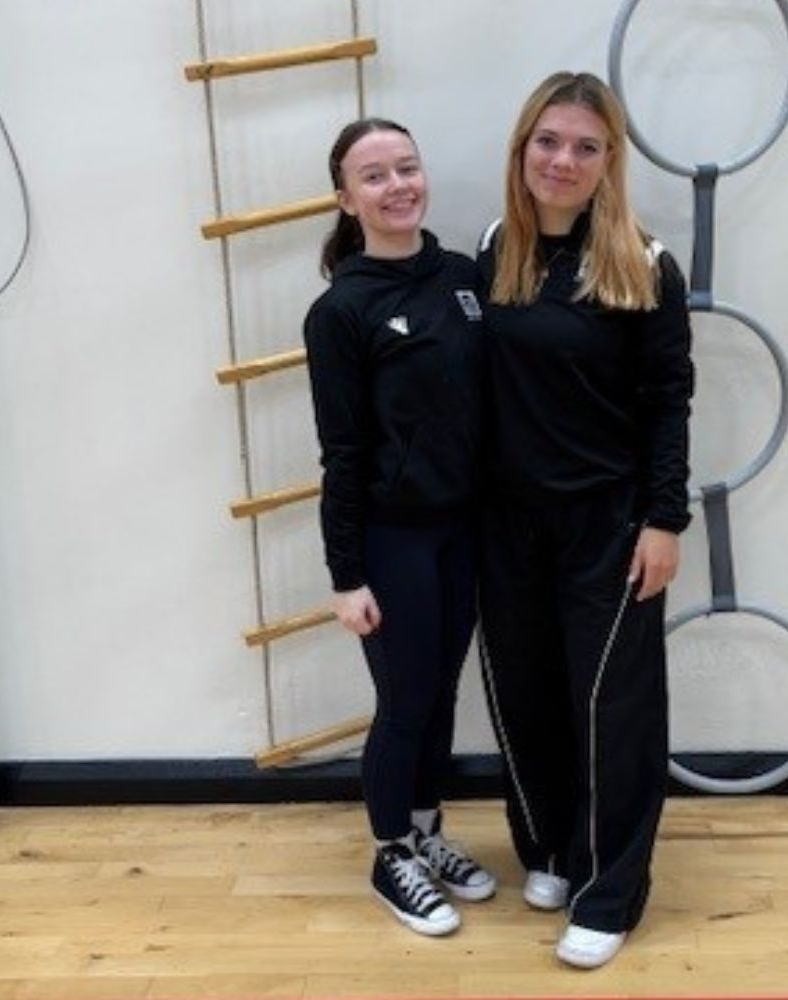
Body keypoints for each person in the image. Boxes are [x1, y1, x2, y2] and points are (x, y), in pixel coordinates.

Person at [476, 72, 694, 969]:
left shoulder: (643, 265)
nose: (562, 161)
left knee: (612, 710)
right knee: (523, 697)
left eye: (584, 147)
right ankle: (555, 850)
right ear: (522, 148)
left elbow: (667, 403)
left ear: (610, 163)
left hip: (607, 526)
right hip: (505, 526)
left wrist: (664, 521)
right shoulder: (496, 248)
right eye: (548, 142)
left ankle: (612, 891)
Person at [303, 117, 495, 937]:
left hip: (467, 532)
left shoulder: (462, 277)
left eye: (406, 168)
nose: (396, 187)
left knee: (442, 688)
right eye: (374, 177)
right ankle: (389, 854)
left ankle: (425, 830)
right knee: (405, 697)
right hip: (393, 539)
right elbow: (341, 453)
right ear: (347, 198)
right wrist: (346, 576)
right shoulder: (339, 312)